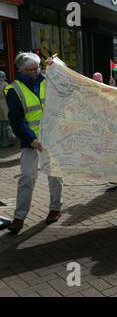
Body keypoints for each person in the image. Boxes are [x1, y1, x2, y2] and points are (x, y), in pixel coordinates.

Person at [4, 53, 63, 234]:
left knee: (55, 176)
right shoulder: (13, 89)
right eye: (32, 69)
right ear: (21, 70)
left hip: (51, 138)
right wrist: (31, 139)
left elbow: (67, 84)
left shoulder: (48, 81)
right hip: (31, 141)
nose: (36, 72)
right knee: (27, 178)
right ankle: (19, 217)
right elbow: (16, 120)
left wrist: (58, 66)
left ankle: (55, 208)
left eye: (38, 68)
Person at [0, 70, 14, 148]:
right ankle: (6, 142)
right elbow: (9, 95)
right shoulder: (5, 84)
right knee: (6, 124)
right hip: (4, 106)